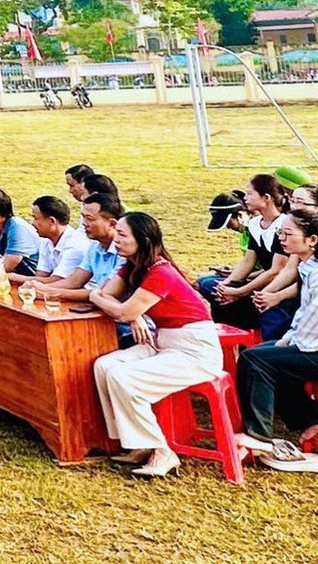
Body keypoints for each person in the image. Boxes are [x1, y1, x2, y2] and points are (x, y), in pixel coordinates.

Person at [89, 211, 223, 478]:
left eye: (123, 234)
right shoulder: (133, 265)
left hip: (193, 349)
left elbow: (115, 306)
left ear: (143, 240)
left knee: (123, 376)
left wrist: (107, 301)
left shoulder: (161, 272)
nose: (117, 238)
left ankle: (163, 450)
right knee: (104, 365)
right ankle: (138, 442)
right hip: (163, 341)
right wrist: (130, 311)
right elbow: (111, 297)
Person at [234, 208, 318, 470]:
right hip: (308, 341)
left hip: (313, 347)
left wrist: (293, 343)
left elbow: (313, 324)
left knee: (259, 360)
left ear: (312, 240)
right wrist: (288, 339)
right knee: (260, 356)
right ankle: (310, 420)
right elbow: (304, 313)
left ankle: (258, 436)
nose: (281, 237)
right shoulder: (309, 265)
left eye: (288, 233)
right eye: (281, 232)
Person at [203, 174, 294, 335]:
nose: (245, 198)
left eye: (250, 194)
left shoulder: (283, 226)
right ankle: (232, 342)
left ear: (266, 198)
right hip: (261, 283)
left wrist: (240, 292)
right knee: (212, 288)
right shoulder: (254, 225)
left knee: (267, 307)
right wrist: (227, 284)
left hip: (279, 287)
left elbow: (276, 270)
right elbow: (248, 261)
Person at [29, 195, 86, 280]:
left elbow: (55, 280)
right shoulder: (46, 241)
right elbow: (41, 276)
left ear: (52, 221)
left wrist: (8, 275)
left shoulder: (74, 244)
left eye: (36, 218)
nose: (33, 223)